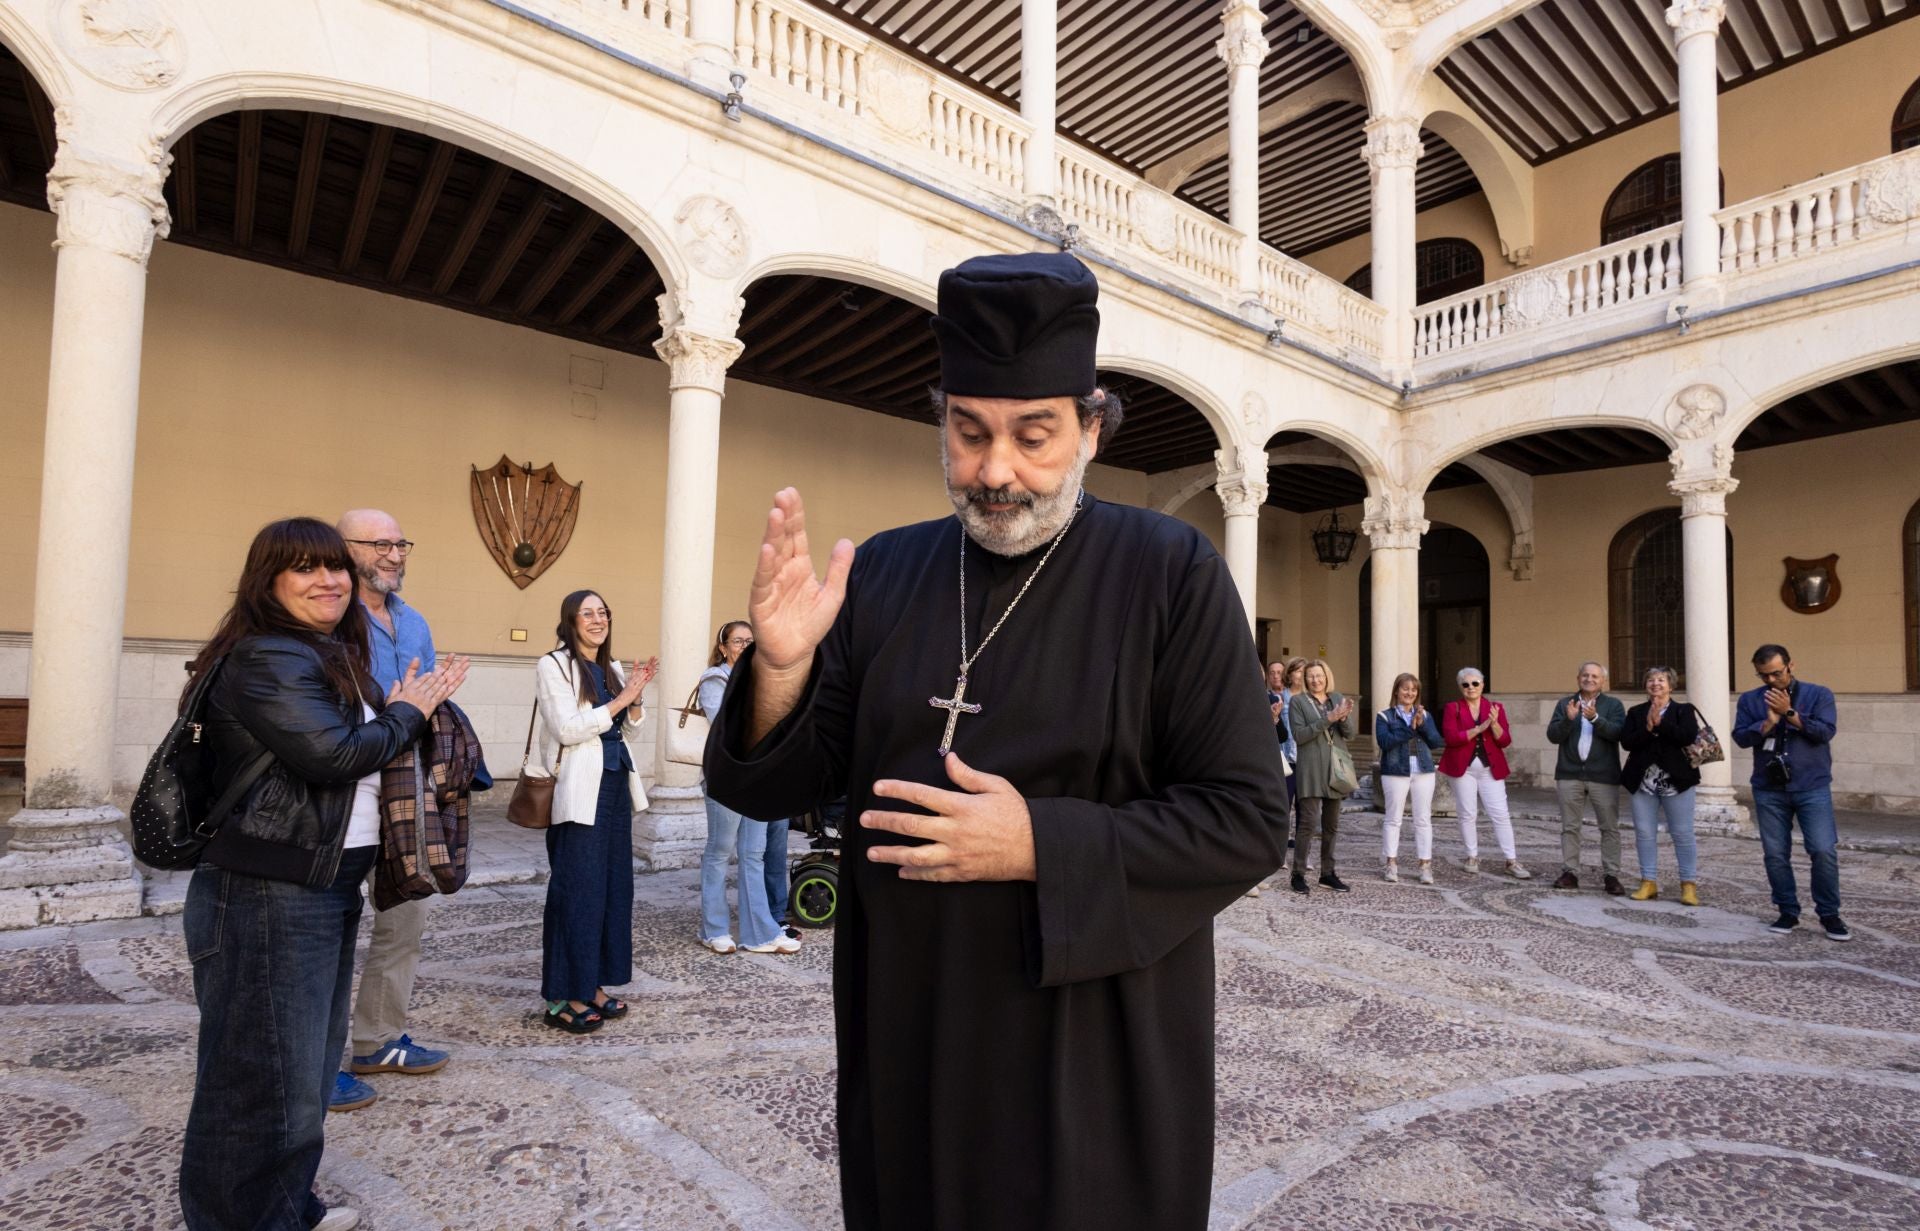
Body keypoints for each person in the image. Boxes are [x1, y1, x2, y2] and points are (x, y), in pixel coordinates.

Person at [704, 251, 1286, 1231]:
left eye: (1034, 435)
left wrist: (1038, 845)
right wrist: (781, 668)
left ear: (1092, 428)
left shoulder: (1171, 572)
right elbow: (775, 783)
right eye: (969, 433)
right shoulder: (885, 573)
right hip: (910, 1042)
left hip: (1095, 1052)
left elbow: (1246, 819)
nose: (997, 470)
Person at [179, 517, 467, 1231]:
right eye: (306, 567)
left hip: (321, 885)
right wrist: (408, 708)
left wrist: (409, 708)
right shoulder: (266, 657)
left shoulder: (320, 652)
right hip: (268, 891)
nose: (329, 580)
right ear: (268, 579)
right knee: (258, 1080)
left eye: (336, 567)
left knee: (300, 1075)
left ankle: (282, 1207)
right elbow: (335, 755)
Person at [329, 508, 450, 1113]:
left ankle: (376, 1040)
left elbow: (422, 702)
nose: (394, 554)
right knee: (325, 931)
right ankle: (316, 1065)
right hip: (340, 793)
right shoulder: (328, 618)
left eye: (400, 542)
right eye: (379, 543)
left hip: (404, 790)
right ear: (344, 547)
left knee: (405, 919)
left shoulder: (415, 622)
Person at [532, 590, 657, 1032]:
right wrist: (623, 701)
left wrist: (637, 695)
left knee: (611, 890)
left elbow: (632, 731)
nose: (597, 619)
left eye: (603, 612)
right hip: (579, 793)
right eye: (588, 613)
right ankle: (563, 996)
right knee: (577, 893)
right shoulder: (554, 665)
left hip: (615, 786)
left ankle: (594, 984)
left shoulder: (612, 667)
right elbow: (567, 729)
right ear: (570, 620)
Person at [1732, 644, 1848, 940]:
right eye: (1763, 676)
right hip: (1769, 788)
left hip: (1812, 784)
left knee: (1822, 850)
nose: (1771, 681)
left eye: (1776, 673)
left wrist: (1790, 714)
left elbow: (1825, 732)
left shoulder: (1819, 694)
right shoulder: (1749, 700)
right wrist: (1767, 723)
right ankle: (1787, 910)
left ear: (1790, 666)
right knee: (1775, 853)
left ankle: (1829, 914)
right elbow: (1741, 738)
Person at [698, 620, 799, 954]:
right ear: (724, 647)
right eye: (738, 641)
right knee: (719, 852)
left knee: (754, 854)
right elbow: (724, 725)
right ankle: (713, 929)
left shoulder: (763, 681)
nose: (745, 646)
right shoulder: (714, 679)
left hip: (757, 779)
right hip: (727, 782)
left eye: (750, 641)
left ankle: (759, 933)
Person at [1618, 666, 1702, 905]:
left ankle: (1688, 885)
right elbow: (1627, 742)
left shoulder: (1684, 710)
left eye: (1661, 680)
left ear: (1671, 685)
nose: (1656, 684)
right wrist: (1647, 728)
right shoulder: (1635, 712)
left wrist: (1661, 724)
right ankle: (1648, 881)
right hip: (1643, 780)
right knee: (1645, 833)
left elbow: (1687, 736)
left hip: (1677, 781)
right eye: (1651, 680)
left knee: (1682, 833)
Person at [1439, 668, 1532, 879]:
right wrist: (1478, 729)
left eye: (1475, 683)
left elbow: (1505, 740)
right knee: (1467, 813)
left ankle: (1512, 860)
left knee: (1500, 813)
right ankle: (1471, 856)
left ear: (1482, 685)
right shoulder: (1452, 708)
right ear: (1460, 687)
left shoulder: (1495, 707)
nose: (1470, 688)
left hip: (1490, 768)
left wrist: (1495, 723)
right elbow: (1451, 738)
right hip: (1463, 769)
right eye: (1465, 684)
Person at [1544, 660, 1627, 895]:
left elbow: (1618, 733)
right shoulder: (1565, 703)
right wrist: (1569, 720)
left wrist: (1595, 719)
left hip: (1604, 776)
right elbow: (1553, 735)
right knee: (1570, 827)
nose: (1589, 679)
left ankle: (1611, 875)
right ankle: (1570, 872)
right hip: (1570, 775)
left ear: (1603, 681)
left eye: (1595, 676)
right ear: (1578, 678)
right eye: (1585, 675)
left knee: (1609, 827)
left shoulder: (1613, 705)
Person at [1289, 659, 1356, 894]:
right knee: (1307, 823)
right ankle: (1297, 874)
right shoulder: (1298, 702)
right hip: (1310, 770)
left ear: (1327, 677)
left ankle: (1327, 873)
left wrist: (1344, 717)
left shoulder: (1337, 698)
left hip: (1334, 768)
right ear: (1305, 679)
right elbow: (1300, 735)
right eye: (1310, 676)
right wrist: (1329, 718)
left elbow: (1351, 734)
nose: (1315, 680)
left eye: (1319, 676)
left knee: (1331, 825)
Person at [1375, 672, 1444, 885]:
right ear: (1397, 691)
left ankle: (1425, 865)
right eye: (1405, 689)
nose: (1409, 693)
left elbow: (1435, 742)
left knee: (1423, 819)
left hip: (1423, 770)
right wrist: (1410, 728)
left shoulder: (1425, 714)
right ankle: (1391, 863)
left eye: (1414, 690)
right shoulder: (1384, 716)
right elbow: (1385, 742)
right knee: (1393, 818)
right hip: (1395, 771)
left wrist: (1422, 724)